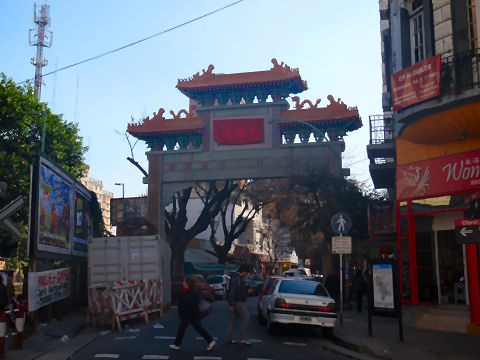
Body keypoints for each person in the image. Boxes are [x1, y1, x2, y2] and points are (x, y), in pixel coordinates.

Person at [169, 277, 216, 351]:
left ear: (187, 284)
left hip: (188, 314)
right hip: (193, 314)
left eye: (184, 282)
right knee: (197, 328)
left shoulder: (186, 292)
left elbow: (184, 304)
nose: (183, 283)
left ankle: (177, 345)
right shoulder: (193, 292)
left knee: (182, 329)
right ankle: (211, 341)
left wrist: (181, 313)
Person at [226, 263, 250, 345]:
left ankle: (229, 338)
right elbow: (232, 292)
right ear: (243, 271)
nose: (247, 274)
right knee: (246, 318)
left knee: (234, 320)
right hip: (238, 302)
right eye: (246, 272)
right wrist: (231, 304)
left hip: (236, 301)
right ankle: (242, 338)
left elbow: (237, 291)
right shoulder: (237, 279)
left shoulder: (237, 278)